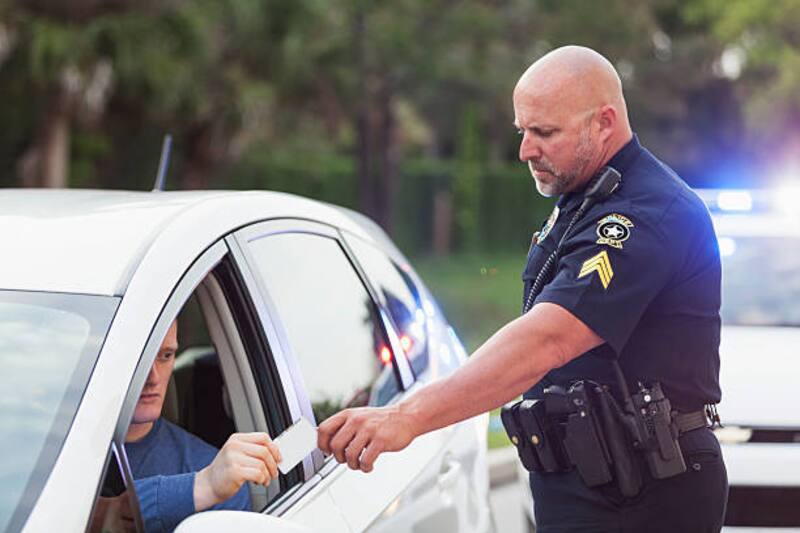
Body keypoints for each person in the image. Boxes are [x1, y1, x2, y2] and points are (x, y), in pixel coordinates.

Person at [318, 45, 727, 532]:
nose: (525, 150)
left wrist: (407, 416)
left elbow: (549, 337)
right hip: (592, 475)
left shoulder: (644, 213)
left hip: (643, 488)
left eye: (544, 132)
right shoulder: (586, 195)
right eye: (523, 130)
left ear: (604, 122)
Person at [124, 320, 282, 533]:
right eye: (139, 358)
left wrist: (206, 485)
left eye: (166, 355)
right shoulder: (66, 446)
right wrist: (199, 487)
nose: (153, 377)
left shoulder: (215, 472)